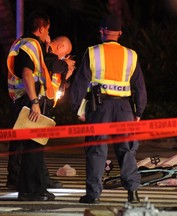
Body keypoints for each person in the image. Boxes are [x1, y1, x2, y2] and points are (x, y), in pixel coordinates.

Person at [70, 14, 147, 204]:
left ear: (102, 31)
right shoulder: (131, 55)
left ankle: (93, 195)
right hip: (124, 108)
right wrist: (139, 112)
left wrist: (76, 108)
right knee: (127, 150)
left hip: (100, 107)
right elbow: (140, 87)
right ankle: (133, 193)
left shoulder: (93, 52)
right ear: (120, 33)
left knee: (97, 149)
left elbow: (80, 83)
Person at [6, 11, 75, 201]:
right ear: (42, 28)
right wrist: (35, 102)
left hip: (26, 99)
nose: (48, 35)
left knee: (34, 147)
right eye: (47, 30)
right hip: (29, 100)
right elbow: (28, 74)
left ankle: (36, 188)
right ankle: (31, 190)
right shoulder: (30, 45)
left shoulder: (25, 43)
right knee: (32, 148)